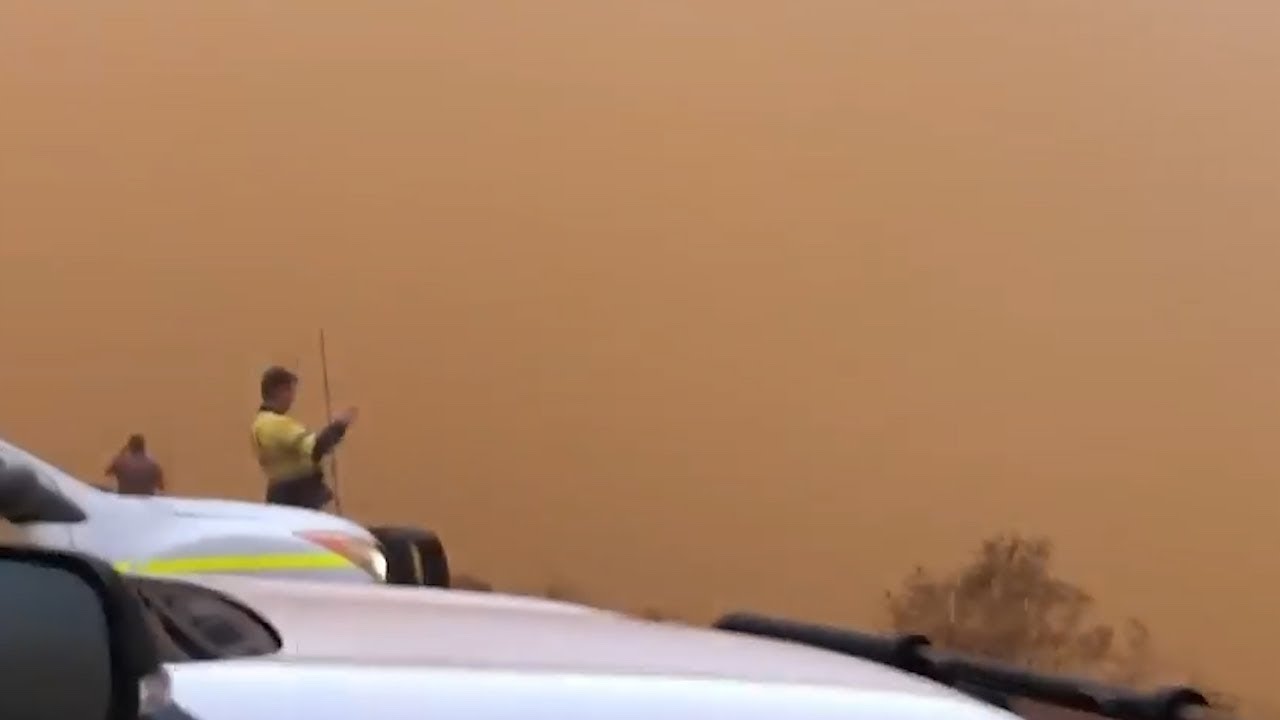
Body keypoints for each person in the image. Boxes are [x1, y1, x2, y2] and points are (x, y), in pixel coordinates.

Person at [251, 365, 357, 510]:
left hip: (282, 494)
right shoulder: (276, 424)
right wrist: (338, 426)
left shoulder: (259, 422)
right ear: (280, 390)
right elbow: (315, 448)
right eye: (291, 391)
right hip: (296, 497)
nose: (292, 398)